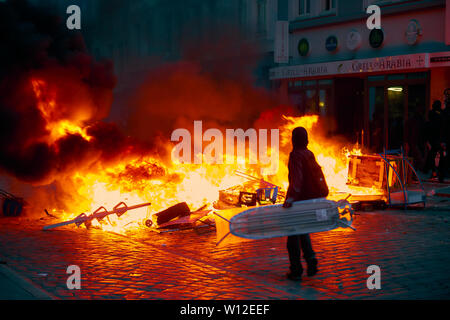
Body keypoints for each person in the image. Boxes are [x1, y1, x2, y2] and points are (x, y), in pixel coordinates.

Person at [282, 127, 322, 281]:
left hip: (298, 201)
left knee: (292, 236)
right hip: (309, 200)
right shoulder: (309, 153)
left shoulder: (296, 155)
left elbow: (297, 180)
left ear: (294, 139)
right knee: (303, 229)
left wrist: (290, 198)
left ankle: (296, 269)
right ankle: (311, 260)